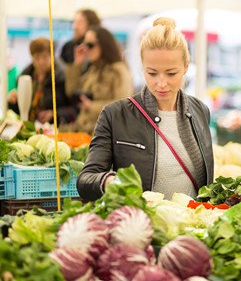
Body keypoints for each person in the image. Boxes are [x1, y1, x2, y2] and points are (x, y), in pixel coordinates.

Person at [77, 18, 214, 202]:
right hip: (143, 225)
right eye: (152, 73)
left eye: (171, 73)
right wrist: (109, 181)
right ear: (142, 67)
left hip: (192, 225)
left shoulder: (200, 111)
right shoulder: (115, 115)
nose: (161, 83)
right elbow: (86, 180)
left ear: (186, 67)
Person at [65, 26, 134, 133]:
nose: (86, 49)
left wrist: (91, 106)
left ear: (104, 45)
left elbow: (123, 105)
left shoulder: (119, 70)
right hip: (85, 130)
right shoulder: (93, 69)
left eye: (90, 45)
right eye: (84, 44)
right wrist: (77, 65)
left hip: (105, 134)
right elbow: (71, 91)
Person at [7, 38, 74, 124]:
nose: (41, 62)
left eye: (45, 57)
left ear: (52, 56)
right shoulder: (26, 77)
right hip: (31, 126)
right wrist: (13, 102)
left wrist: (55, 114)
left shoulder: (62, 77)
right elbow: (21, 112)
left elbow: (74, 108)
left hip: (56, 128)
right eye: (37, 57)